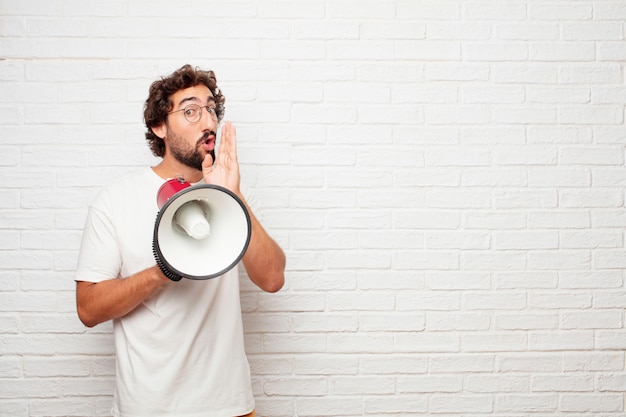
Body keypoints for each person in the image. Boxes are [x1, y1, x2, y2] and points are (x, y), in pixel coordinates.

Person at [74, 64, 286, 417]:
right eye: (190, 111)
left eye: (211, 110)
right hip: (149, 408)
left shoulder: (232, 193)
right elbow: (88, 309)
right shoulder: (114, 200)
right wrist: (162, 271)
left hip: (229, 405)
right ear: (159, 126)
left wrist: (232, 195)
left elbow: (273, 278)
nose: (207, 122)